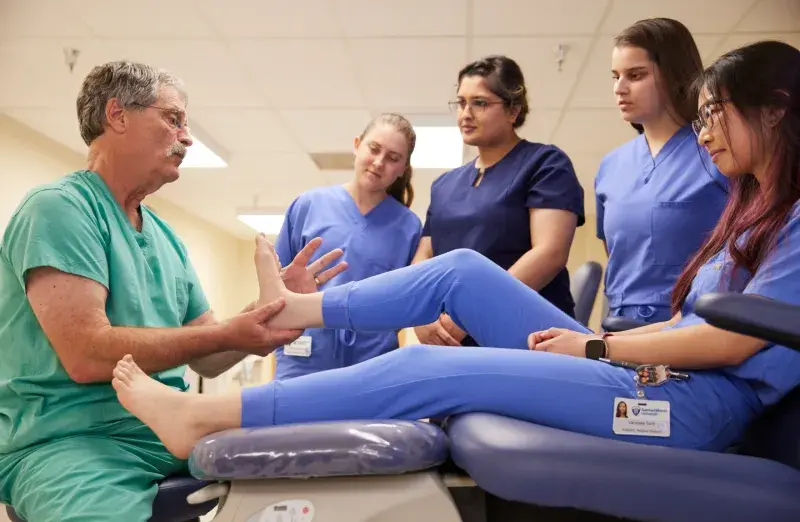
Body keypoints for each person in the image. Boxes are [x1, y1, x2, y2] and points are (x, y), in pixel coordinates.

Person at [113, 40, 800, 460]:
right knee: (463, 271)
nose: (703, 131)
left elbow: (734, 342)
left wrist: (596, 347)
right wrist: (601, 345)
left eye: (715, 112)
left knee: (430, 368)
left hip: (695, 406)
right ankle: (296, 308)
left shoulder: (794, 218)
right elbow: (688, 325)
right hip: (668, 373)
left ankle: (201, 415)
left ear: (774, 108)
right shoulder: (749, 218)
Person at [0, 61, 344, 522]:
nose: (187, 137)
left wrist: (272, 307)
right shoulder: (59, 210)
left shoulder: (165, 238)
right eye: (174, 119)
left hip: (167, 430)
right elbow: (87, 356)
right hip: (69, 441)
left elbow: (208, 356)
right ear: (117, 115)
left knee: (302, 474)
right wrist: (228, 334)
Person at [413, 55, 585, 347]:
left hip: (528, 337)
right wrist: (419, 313)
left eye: (479, 103)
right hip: (451, 342)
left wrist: (470, 312)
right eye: (461, 103)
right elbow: (424, 256)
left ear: (513, 110)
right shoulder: (444, 185)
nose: (466, 113)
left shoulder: (544, 164)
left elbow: (550, 253)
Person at [596, 18, 730, 325]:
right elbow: (617, 256)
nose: (619, 88)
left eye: (635, 75)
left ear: (674, 75)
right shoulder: (611, 166)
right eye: (615, 77)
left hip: (690, 326)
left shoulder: (718, 153)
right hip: (617, 327)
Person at [274, 114, 422, 380]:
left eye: (393, 158)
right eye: (374, 149)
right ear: (356, 145)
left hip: (373, 365)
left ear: (403, 168)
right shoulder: (308, 206)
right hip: (304, 357)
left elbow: (405, 302)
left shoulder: (409, 227)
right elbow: (276, 284)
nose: (379, 162)